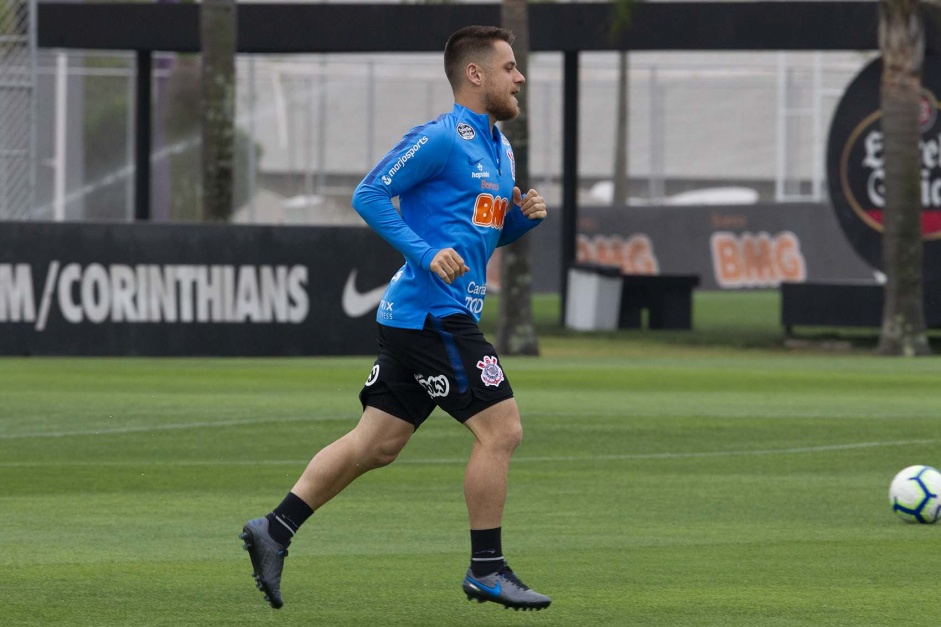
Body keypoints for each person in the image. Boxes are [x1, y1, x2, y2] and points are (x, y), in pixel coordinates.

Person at [239, 25, 550, 612]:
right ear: (475, 74)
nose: (520, 77)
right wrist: (425, 252)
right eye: (509, 67)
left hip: (426, 317)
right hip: (434, 314)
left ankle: (273, 530)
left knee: (377, 443)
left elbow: (482, 232)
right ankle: (488, 569)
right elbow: (370, 194)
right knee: (501, 431)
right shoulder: (439, 139)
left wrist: (522, 220)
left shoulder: (500, 149)